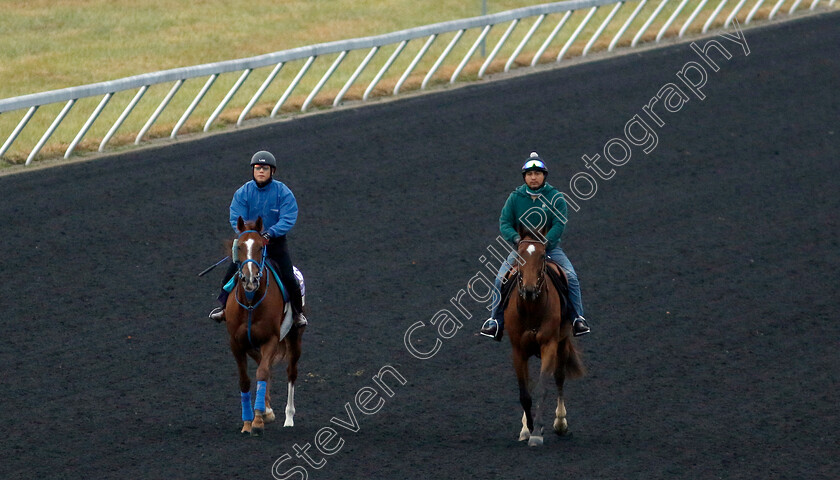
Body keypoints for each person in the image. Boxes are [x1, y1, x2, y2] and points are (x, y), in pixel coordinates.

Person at [479, 152, 590, 341]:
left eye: (537, 173)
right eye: (529, 174)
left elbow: (559, 223)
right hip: (522, 250)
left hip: (550, 249)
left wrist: (546, 243)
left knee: (571, 277)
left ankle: (577, 319)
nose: (533, 177)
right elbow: (505, 222)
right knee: (499, 280)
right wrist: (516, 240)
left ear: (544, 176)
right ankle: (495, 322)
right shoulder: (515, 198)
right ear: (524, 177)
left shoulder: (555, 197)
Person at [209, 150, 307, 328]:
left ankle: (297, 313)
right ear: (253, 170)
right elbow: (236, 217)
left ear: (272, 171)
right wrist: (249, 235)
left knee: (288, 277)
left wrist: (271, 232)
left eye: (265, 168)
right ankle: (223, 308)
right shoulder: (243, 193)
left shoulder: (283, 193)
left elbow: (288, 217)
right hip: (249, 245)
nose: (261, 171)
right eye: (257, 168)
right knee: (229, 276)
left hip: (274, 243)